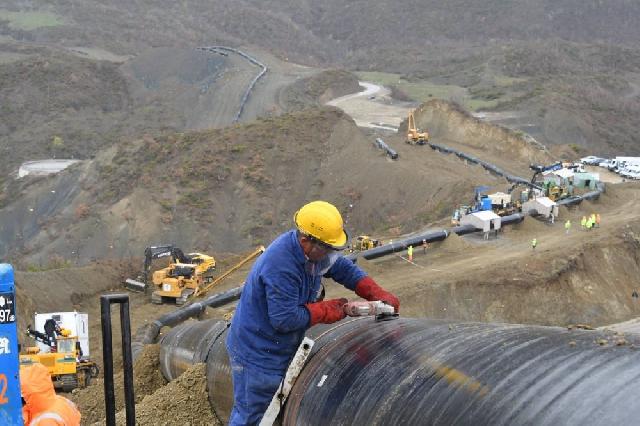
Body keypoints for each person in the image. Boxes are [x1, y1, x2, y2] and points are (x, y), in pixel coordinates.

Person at [225, 201, 399, 425]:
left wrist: (375, 292)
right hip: (257, 353)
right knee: (253, 415)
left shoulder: (313, 252)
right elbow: (284, 319)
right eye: (326, 248)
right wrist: (327, 310)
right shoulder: (281, 266)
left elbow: (341, 267)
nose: (330, 254)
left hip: (278, 346)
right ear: (306, 240)